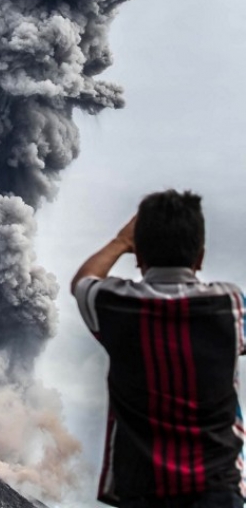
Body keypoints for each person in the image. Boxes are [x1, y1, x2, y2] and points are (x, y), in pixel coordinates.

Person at [71, 189, 246, 508]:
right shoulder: (231, 306)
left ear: (138, 257)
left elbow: (83, 281)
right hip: (217, 490)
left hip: (143, 491)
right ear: (200, 257)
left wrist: (120, 241)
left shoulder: (117, 306)